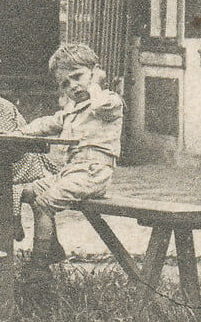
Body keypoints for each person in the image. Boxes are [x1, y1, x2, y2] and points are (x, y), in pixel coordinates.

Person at [16, 42, 124, 266]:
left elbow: (101, 105)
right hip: (70, 173)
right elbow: (48, 123)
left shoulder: (109, 100)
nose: (73, 86)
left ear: (94, 72)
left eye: (78, 76)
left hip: (93, 173)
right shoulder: (72, 109)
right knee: (25, 192)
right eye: (65, 84)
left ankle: (39, 263)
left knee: (45, 202)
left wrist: (95, 84)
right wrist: (17, 132)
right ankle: (52, 246)